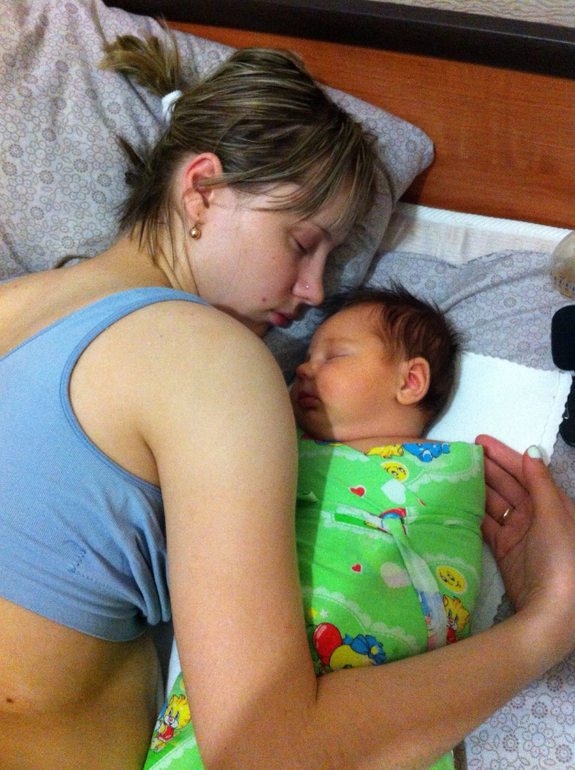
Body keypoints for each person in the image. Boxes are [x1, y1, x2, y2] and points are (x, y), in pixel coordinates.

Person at [1, 31, 575, 770]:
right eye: (301, 243)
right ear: (201, 188)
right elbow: (264, 748)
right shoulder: (205, 356)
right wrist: (547, 626)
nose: (312, 292)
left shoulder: (16, 303)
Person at [147, 286, 482, 770]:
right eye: (306, 356)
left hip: (383, 706)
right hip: (249, 681)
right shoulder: (278, 445)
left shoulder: (454, 474)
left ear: (411, 381)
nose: (304, 368)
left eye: (335, 356)